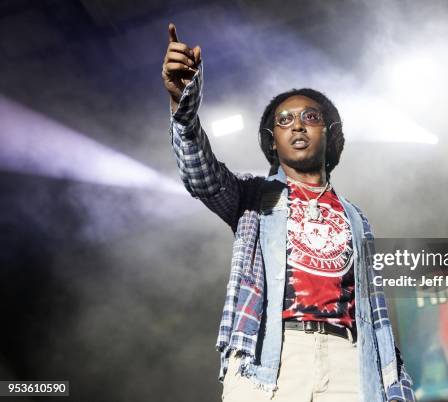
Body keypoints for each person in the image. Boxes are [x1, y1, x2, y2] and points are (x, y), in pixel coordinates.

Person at [162, 23, 415, 402]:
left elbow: (373, 308)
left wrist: (393, 381)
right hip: (268, 356)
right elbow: (202, 177)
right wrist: (184, 107)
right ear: (273, 141)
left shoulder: (355, 218)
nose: (297, 124)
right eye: (284, 120)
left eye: (310, 117)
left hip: (349, 359)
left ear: (330, 135)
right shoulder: (253, 195)